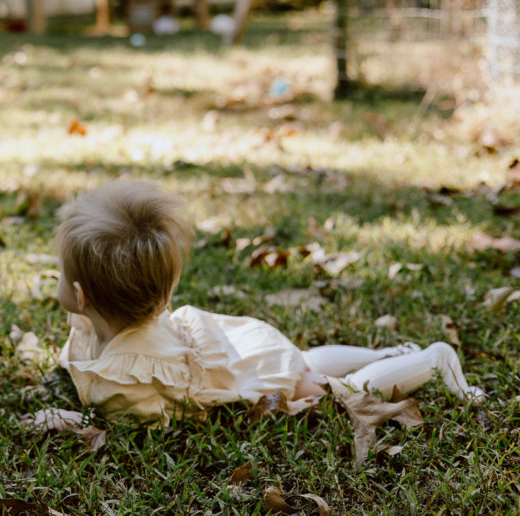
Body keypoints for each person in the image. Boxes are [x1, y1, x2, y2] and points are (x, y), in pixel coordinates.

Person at [55, 179, 486, 426]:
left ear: (80, 296)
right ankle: (388, 352)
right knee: (302, 358)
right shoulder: (99, 327)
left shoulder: (130, 374)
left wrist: (70, 421)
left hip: (248, 372)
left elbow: (131, 422)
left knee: (332, 391)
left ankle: (433, 359)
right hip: (240, 346)